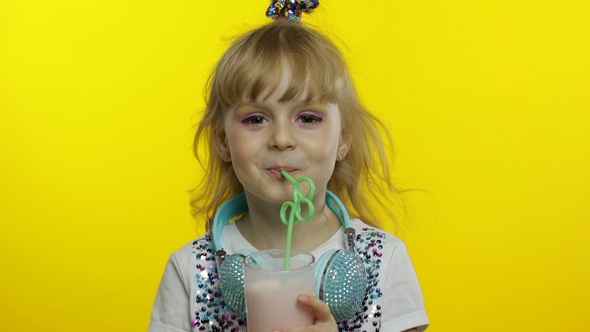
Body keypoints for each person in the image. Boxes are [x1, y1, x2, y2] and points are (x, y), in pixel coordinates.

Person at [148, 5, 429, 332]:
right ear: (223, 141)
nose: (281, 139)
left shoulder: (385, 260)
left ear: (344, 139)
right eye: (255, 119)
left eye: (308, 118)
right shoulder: (189, 270)